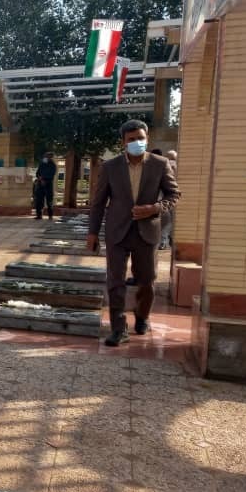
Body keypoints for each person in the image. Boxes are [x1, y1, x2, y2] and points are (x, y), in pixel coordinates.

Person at [87, 120, 180, 347]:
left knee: (146, 281)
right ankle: (118, 329)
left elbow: (173, 195)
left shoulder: (160, 164)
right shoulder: (111, 167)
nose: (136, 142)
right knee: (115, 281)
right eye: (131, 139)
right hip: (117, 231)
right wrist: (92, 233)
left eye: (140, 138)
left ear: (147, 139)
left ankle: (142, 316)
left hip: (147, 231)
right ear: (123, 142)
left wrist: (154, 208)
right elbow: (98, 203)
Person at [160, 150, 179, 249]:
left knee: (166, 220)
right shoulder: (177, 166)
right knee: (171, 220)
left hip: (164, 196)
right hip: (174, 196)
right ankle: (168, 240)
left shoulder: (164, 165)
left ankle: (163, 241)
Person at [35, 152, 57, 220]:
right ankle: (39, 215)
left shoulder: (53, 165)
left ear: (50, 157)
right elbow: (37, 173)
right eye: (45, 156)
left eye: (47, 156)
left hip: (48, 185)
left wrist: (44, 179)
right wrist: (40, 178)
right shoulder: (42, 164)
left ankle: (50, 215)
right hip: (40, 184)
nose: (45, 158)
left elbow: (51, 175)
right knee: (39, 200)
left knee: (49, 201)